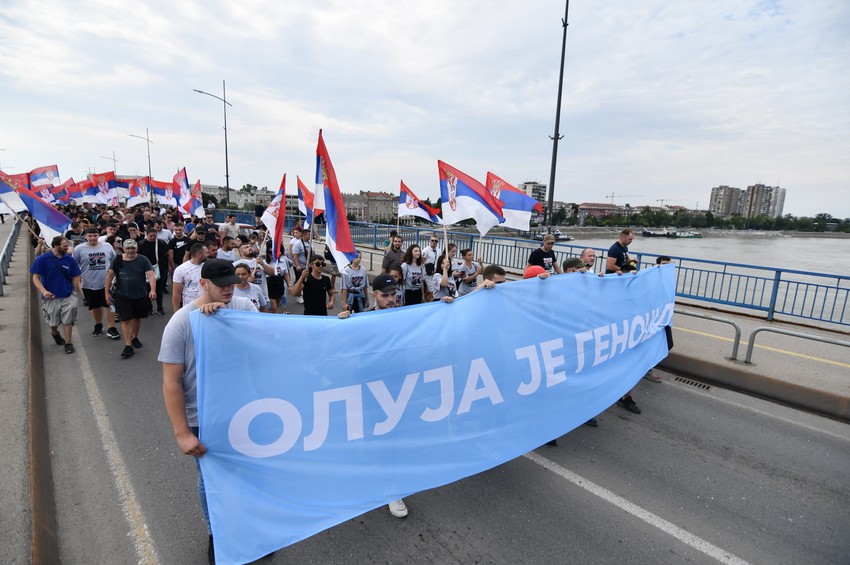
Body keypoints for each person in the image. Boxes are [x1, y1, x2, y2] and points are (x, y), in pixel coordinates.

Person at [159, 259, 258, 564]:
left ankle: (252, 533)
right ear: (203, 284)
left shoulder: (243, 307)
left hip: (245, 413)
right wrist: (182, 433)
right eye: (222, 284)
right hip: (204, 419)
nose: (229, 288)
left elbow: (268, 342)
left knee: (249, 476)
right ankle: (218, 535)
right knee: (212, 480)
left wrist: (224, 324)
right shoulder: (182, 322)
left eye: (232, 282)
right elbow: (172, 383)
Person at [104, 239, 157, 358]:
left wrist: (152, 290)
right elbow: (109, 276)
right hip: (123, 295)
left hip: (140, 294)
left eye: (133, 248)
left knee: (137, 318)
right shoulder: (117, 260)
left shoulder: (143, 259)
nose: (131, 251)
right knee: (126, 320)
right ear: (124, 249)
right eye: (128, 248)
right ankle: (128, 345)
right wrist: (106, 293)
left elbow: (151, 275)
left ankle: (135, 337)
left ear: (136, 248)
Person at [30, 236, 81, 354]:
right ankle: (55, 332)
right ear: (56, 246)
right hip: (51, 297)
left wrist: (75, 289)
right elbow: (35, 278)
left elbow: (75, 275)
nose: (67, 248)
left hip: (68, 295)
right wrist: (44, 291)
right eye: (65, 246)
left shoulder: (69, 259)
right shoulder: (42, 259)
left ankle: (68, 343)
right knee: (53, 322)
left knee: (68, 320)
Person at [72, 227, 119, 339]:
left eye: (95, 235)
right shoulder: (79, 249)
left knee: (109, 304)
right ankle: (98, 324)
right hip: (89, 283)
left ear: (98, 235)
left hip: (107, 282)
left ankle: (111, 328)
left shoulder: (107, 246)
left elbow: (115, 261)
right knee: (95, 306)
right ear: (85, 237)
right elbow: (74, 265)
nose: (93, 238)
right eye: (90, 236)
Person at [138, 226, 169, 315]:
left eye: (154, 236)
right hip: (145, 270)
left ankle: (160, 307)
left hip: (159, 269)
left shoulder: (161, 243)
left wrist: (170, 266)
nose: (153, 237)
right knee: (147, 289)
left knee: (159, 289)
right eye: (151, 236)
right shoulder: (141, 244)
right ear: (147, 235)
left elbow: (168, 254)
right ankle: (149, 307)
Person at [172, 243, 208, 312]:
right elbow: (176, 293)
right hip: (189, 308)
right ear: (199, 254)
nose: (208, 254)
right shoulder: (181, 269)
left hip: (206, 307)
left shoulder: (207, 267)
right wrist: (176, 313)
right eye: (206, 253)